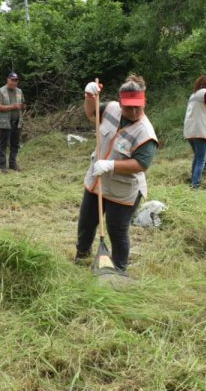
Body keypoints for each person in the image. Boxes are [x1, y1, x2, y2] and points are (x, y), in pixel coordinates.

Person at [75, 75, 158, 273]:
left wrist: (111, 165)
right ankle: (82, 257)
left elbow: (141, 164)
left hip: (123, 191)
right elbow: (91, 113)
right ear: (120, 103)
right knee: (86, 223)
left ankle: (119, 269)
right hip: (97, 182)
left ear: (144, 102)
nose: (134, 111)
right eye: (129, 107)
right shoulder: (111, 109)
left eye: (138, 107)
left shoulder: (145, 133)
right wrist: (89, 96)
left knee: (116, 231)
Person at [0, 72, 26, 173]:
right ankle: (3, 166)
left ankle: (13, 164)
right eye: (12, 80)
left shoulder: (19, 91)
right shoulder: (1, 91)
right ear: (8, 80)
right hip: (5, 122)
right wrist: (13, 106)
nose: (14, 82)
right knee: (3, 144)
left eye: (16, 80)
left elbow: (23, 104)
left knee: (15, 144)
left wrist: (23, 106)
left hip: (17, 122)